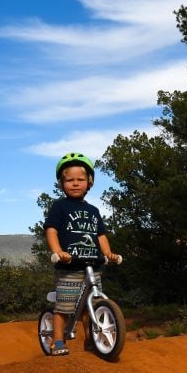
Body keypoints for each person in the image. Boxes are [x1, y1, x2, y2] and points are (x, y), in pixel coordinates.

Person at [43, 152, 119, 356]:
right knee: (64, 306)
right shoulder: (60, 206)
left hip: (92, 266)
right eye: (70, 180)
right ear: (62, 183)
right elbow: (51, 230)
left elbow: (100, 234)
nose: (75, 183)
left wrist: (108, 253)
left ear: (89, 182)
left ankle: (90, 341)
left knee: (90, 307)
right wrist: (58, 251)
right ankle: (57, 341)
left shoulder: (93, 210)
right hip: (69, 267)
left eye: (81, 179)